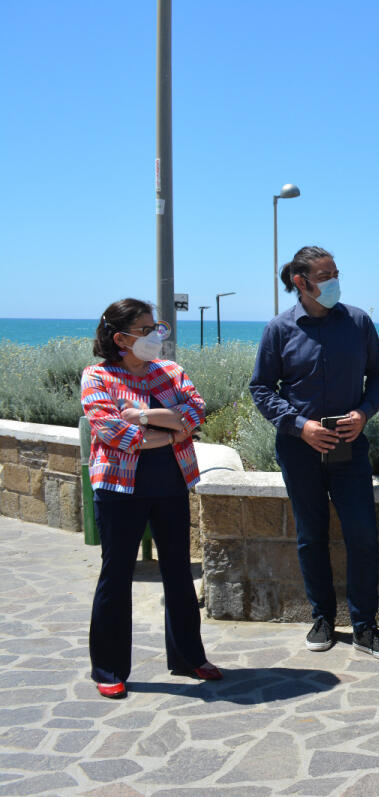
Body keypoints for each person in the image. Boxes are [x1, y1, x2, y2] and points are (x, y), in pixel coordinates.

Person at [250, 246, 379, 661]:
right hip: (300, 450)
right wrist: (301, 427)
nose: (335, 279)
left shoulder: (357, 322)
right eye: (325, 273)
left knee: (363, 536)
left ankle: (365, 626)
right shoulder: (279, 329)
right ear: (301, 282)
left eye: (336, 271)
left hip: (350, 447)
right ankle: (322, 618)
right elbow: (261, 388)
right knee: (310, 536)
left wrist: (364, 413)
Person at [82, 298, 222, 699]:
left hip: (171, 484)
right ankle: (108, 668)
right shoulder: (97, 376)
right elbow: (110, 430)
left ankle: (188, 656)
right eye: (147, 329)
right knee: (116, 576)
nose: (157, 336)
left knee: (178, 573)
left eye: (157, 327)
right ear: (121, 337)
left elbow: (194, 413)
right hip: (119, 489)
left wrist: (141, 416)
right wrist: (167, 426)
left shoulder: (171, 371)